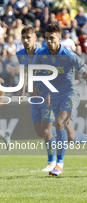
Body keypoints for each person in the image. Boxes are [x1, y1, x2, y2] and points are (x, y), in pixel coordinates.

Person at [33, 24, 87, 176]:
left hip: (70, 94)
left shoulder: (68, 55)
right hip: (54, 97)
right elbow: (34, 73)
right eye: (47, 38)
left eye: (52, 38)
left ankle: (59, 164)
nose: (49, 41)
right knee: (71, 136)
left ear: (59, 38)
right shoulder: (41, 55)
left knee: (59, 122)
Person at [17, 26, 56, 172]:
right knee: (40, 133)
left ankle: (52, 161)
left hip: (48, 97)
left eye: (29, 37)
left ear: (35, 38)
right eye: (23, 38)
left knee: (46, 132)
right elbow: (25, 71)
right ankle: (58, 137)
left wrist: (51, 93)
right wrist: (22, 89)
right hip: (34, 98)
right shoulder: (21, 54)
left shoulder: (44, 53)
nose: (26, 40)